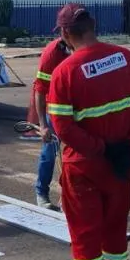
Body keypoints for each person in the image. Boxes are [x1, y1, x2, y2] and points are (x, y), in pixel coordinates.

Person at [46, 3, 130, 260]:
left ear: (65, 34)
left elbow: (63, 128)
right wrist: (129, 145)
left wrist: (101, 149)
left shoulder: (64, 72)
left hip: (84, 168)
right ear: (94, 26)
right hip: (122, 165)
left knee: (86, 238)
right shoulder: (128, 58)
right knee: (115, 233)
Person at [32, 31, 72, 210]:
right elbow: (40, 90)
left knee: (76, 156)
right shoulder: (52, 55)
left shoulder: (84, 48)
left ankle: (69, 197)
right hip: (56, 111)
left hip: (79, 109)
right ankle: (41, 193)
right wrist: (43, 125)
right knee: (50, 152)